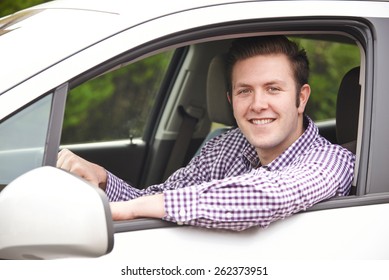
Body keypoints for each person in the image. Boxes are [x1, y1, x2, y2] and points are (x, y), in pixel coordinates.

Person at [57, 35, 355, 231]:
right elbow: (158, 200)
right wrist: (103, 178)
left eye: (273, 89)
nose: (257, 104)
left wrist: (135, 207)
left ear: (301, 98)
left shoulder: (332, 161)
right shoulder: (226, 146)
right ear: (230, 100)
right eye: (244, 91)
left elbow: (266, 196)